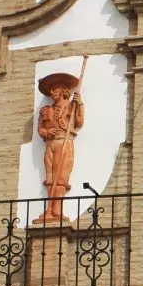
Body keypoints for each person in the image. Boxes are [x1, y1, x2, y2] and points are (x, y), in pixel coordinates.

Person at [34, 70, 86, 223]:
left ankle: (57, 210)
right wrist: (47, 132)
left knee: (61, 177)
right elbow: (40, 129)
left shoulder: (71, 107)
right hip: (50, 144)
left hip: (64, 142)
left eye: (55, 89)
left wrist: (80, 103)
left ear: (64, 91)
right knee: (50, 177)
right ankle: (49, 210)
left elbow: (79, 122)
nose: (52, 92)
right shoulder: (46, 110)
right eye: (51, 90)